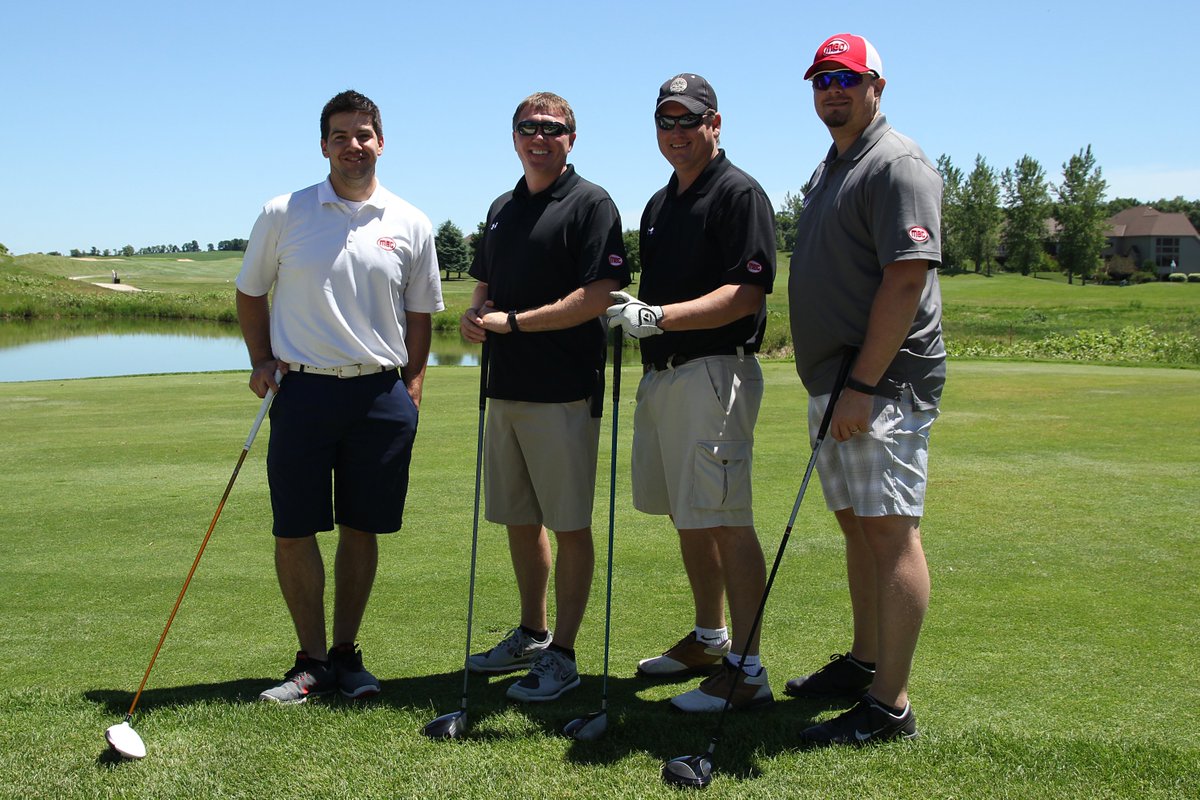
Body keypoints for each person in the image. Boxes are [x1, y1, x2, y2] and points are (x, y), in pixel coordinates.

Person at [236, 90, 444, 704]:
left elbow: (420, 313)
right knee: (295, 528)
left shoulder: (411, 221)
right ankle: (312, 661)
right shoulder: (285, 212)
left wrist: (413, 386)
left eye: (363, 134)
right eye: (340, 136)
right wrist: (260, 360)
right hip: (301, 390)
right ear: (323, 145)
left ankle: (347, 656)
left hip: (380, 394)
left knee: (362, 527)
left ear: (380, 141)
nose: (353, 145)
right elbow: (251, 293)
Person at [786, 34, 946, 746]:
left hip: (880, 386)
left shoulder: (896, 162)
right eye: (822, 78)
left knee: (889, 532)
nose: (833, 89)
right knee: (858, 525)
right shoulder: (834, 166)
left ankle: (890, 705)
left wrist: (862, 386)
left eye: (847, 77)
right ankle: (864, 661)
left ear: (877, 84)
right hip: (840, 383)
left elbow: (906, 278)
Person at [606, 73, 776, 713]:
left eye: (689, 120)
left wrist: (658, 317)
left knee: (727, 516)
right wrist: (635, 314)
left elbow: (746, 293)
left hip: (714, 373)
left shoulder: (739, 194)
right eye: (666, 122)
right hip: (665, 376)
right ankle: (710, 639)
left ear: (716, 123)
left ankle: (748, 669)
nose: (676, 133)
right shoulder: (659, 204)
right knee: (688, 511)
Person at [460, 92, 629, 703]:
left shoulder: (591, 204)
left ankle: (563, 654)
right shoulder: (503, 207)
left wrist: (512, 323)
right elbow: (484, 284)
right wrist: (475, 315)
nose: (540, 137)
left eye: (553, 129)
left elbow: (598, 296)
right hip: (504, 388)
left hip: (562, 392)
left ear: (571, 140)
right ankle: (532, 632)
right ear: (513, 136)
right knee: (519, 518)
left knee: (569, 524)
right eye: (528, 128)